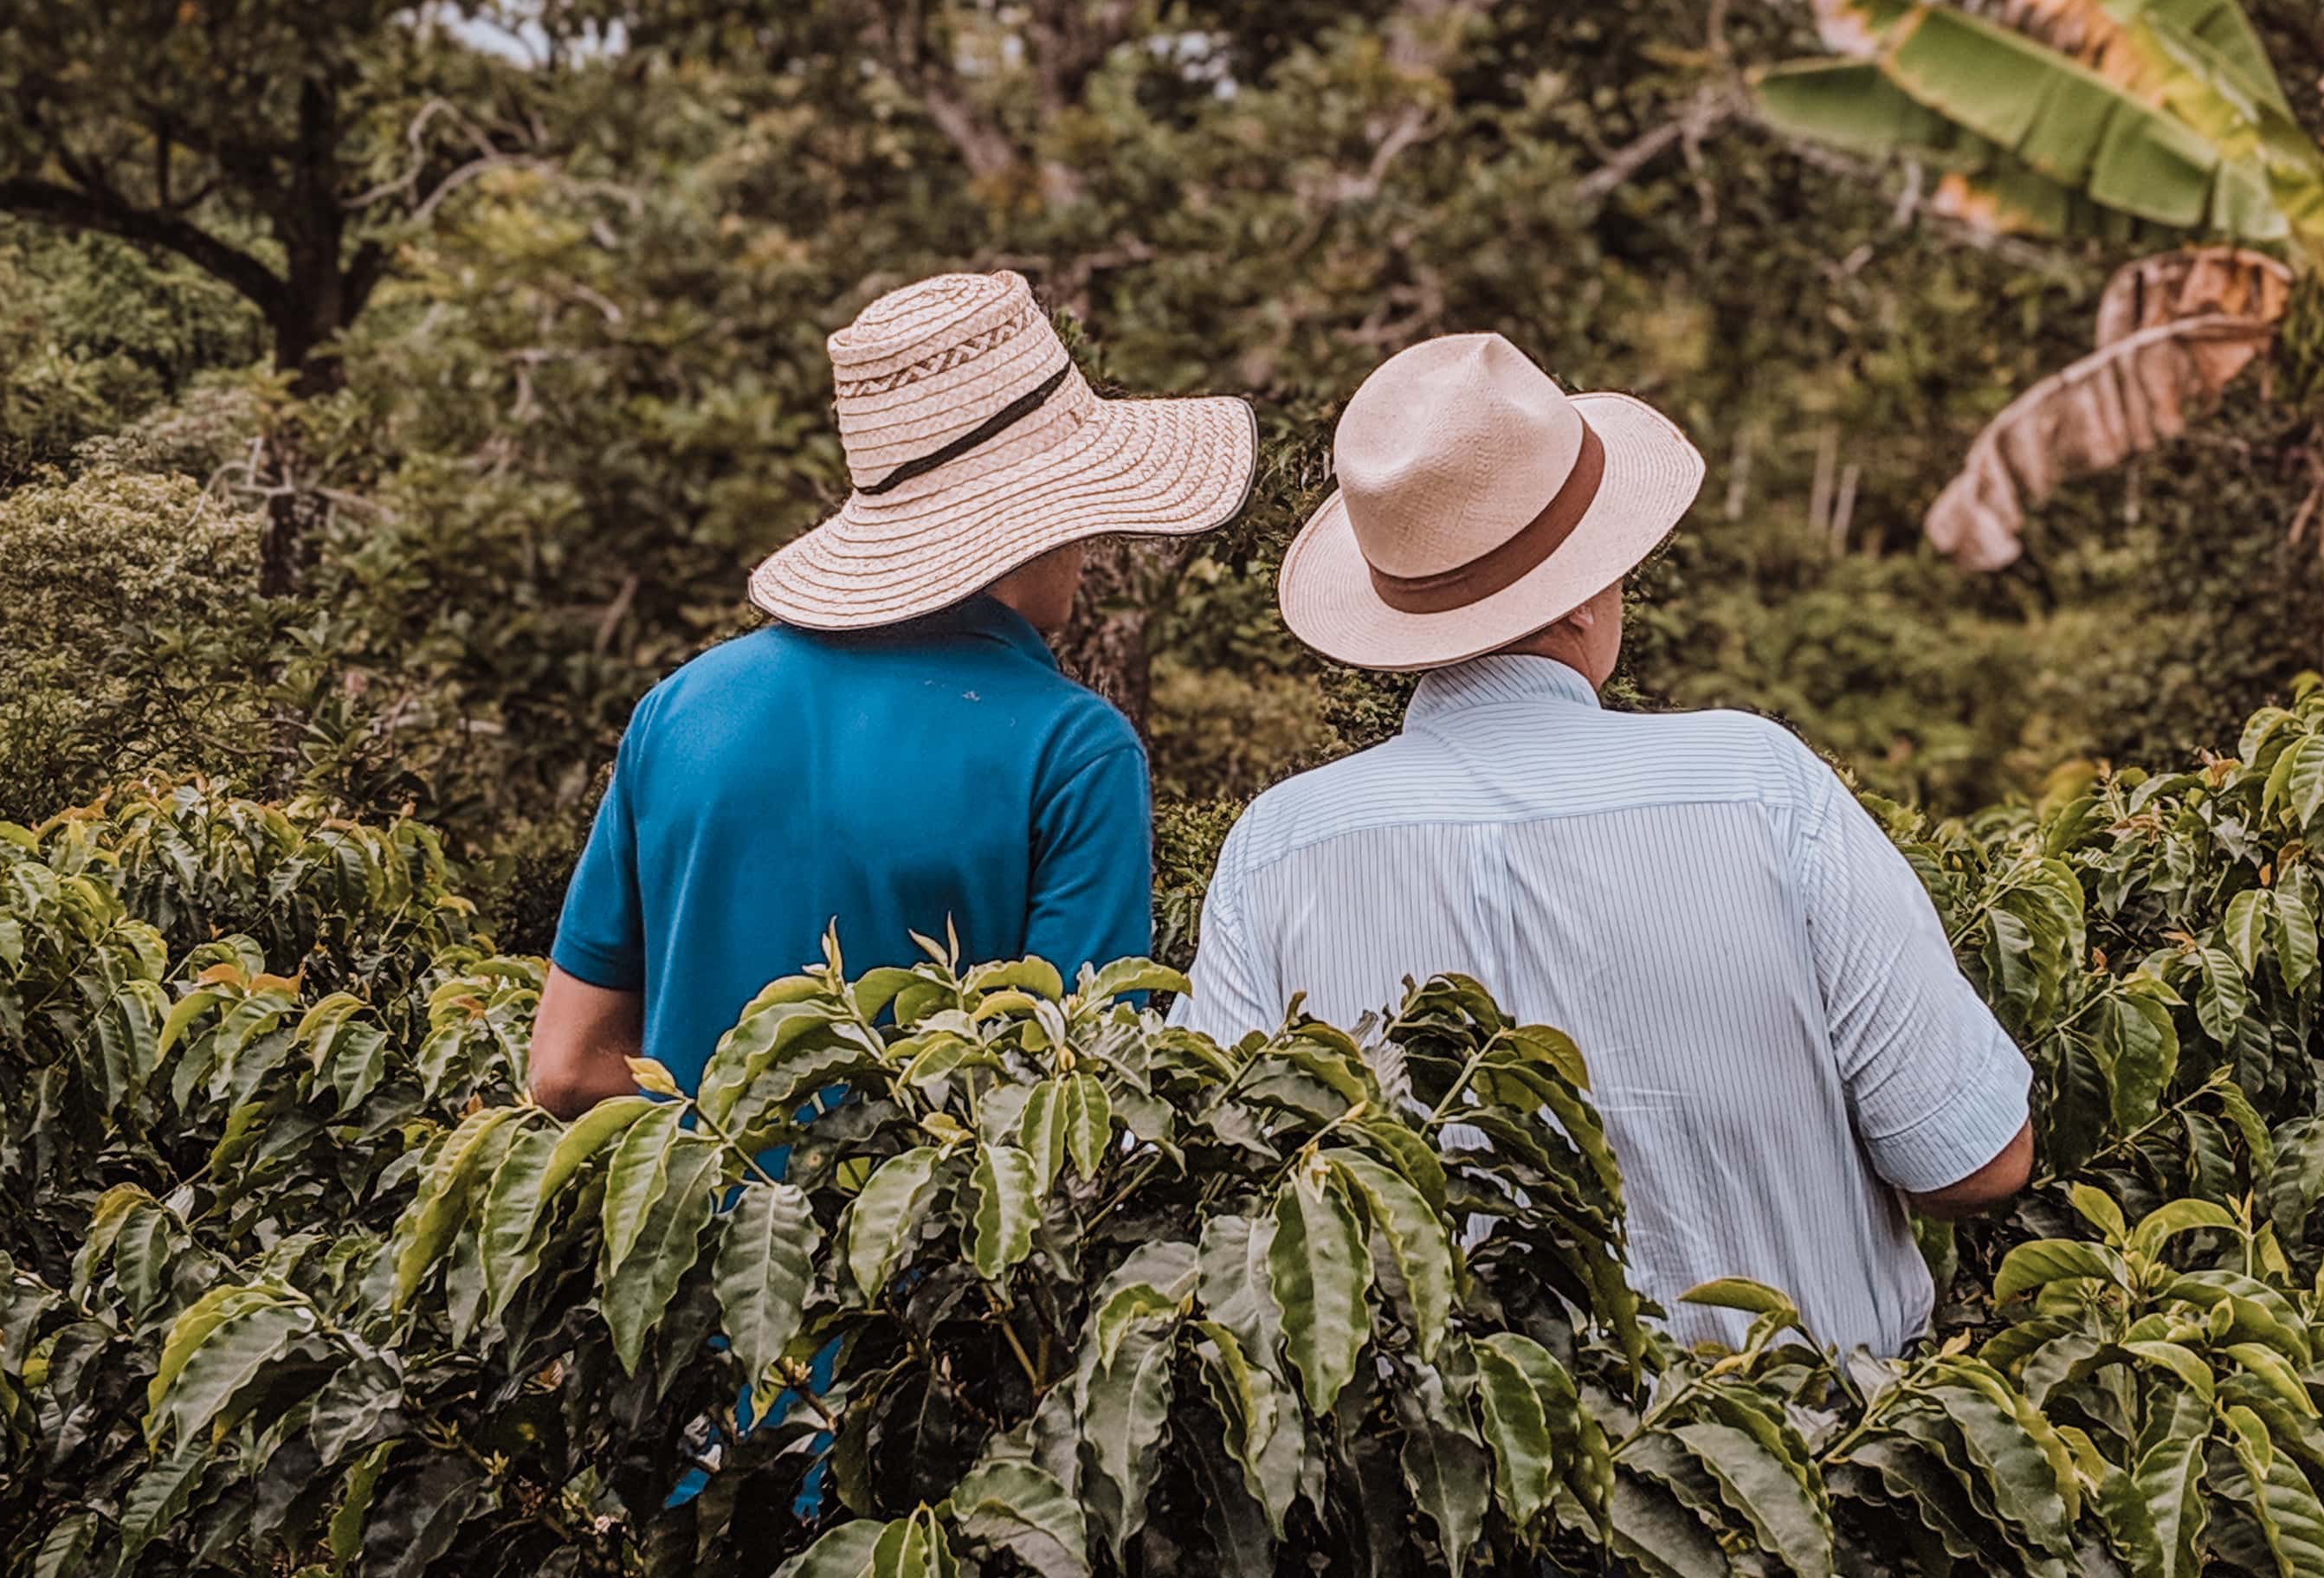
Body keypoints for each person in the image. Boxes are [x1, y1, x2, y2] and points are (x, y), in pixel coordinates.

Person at [1177, 332, 2033, 1352]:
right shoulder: (1759, 787)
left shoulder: (1278, 849)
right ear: (1583, 591)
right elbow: (1973, 1162)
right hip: (1814, 1469)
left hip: (1443, 1494)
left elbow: (1228, 1197)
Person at [530, 270, 1253, 1113]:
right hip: (933, 1246)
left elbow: (565, 1066)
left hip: (682, 1238)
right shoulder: (1072, 751)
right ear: (1044, 516)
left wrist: (737, 1119)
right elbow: (1069, 1104)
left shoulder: (681, 711)